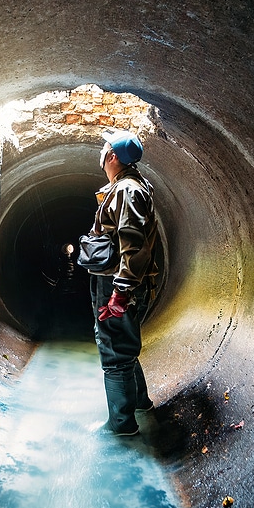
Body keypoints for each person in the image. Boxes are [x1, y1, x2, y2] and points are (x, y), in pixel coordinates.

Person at [87, 130, 159, 436]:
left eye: (105, 147)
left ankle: (121, 424)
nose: (102, 152)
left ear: (113, 155)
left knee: (115, 351)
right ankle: (140, 402)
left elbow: (133, 244)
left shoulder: (127, 191)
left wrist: (120, 292)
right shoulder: (129, 186)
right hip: (121, 283)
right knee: (125, 345)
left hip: (117, 285)